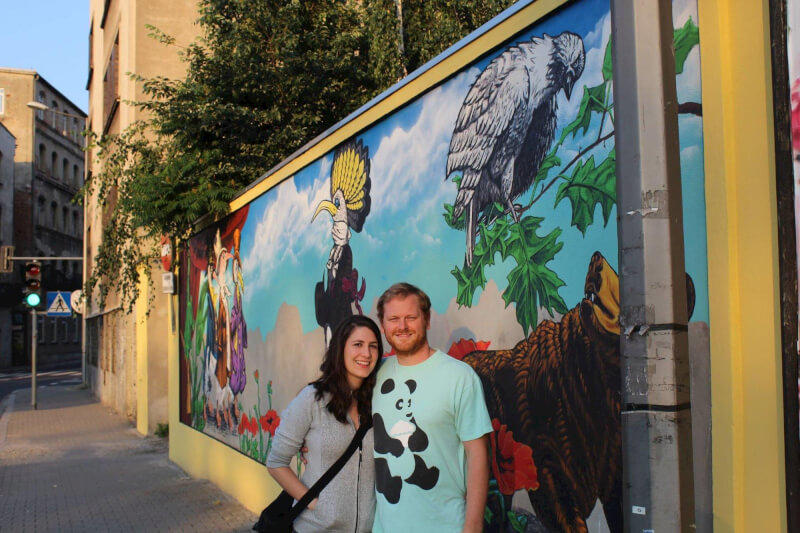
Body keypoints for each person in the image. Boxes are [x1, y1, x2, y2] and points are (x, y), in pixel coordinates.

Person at [372, 282, 492, 533]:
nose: (402, 326)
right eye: (393, 319)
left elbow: (477, 455)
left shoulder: (459, 377)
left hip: (446, 525)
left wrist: (473, 525)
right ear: (382, 326)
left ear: (426, 320)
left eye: (410, 317)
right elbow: (329, 395)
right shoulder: (374, 376)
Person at [267, 314, 382, 532]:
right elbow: (276, 463)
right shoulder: (313, 399)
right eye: (357, 344)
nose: (366, 354)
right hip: (317, 527)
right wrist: (314, 504)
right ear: (340, 349)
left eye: (373, 346)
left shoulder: (378, 400)